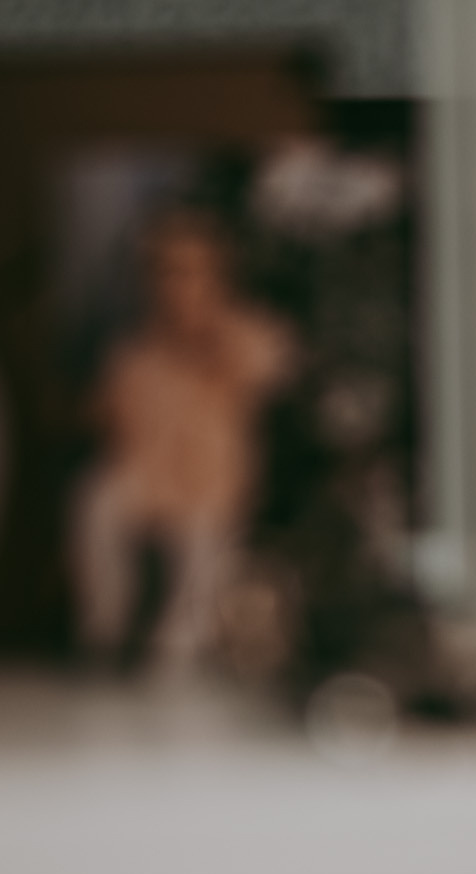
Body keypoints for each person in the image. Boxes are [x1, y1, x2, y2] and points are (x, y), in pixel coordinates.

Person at [68, 211, 295, 673]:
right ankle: (105, 624)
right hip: (146, 476)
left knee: (200, 553)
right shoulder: (136, 351)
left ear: (218, 277)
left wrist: (215, 334)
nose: (175, 286)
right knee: (96, 504)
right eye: (163, 273)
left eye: (190, 273)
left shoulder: (240, 334)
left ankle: (183, 639)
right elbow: (108, 412)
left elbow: (272, 365)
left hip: (210, 485)